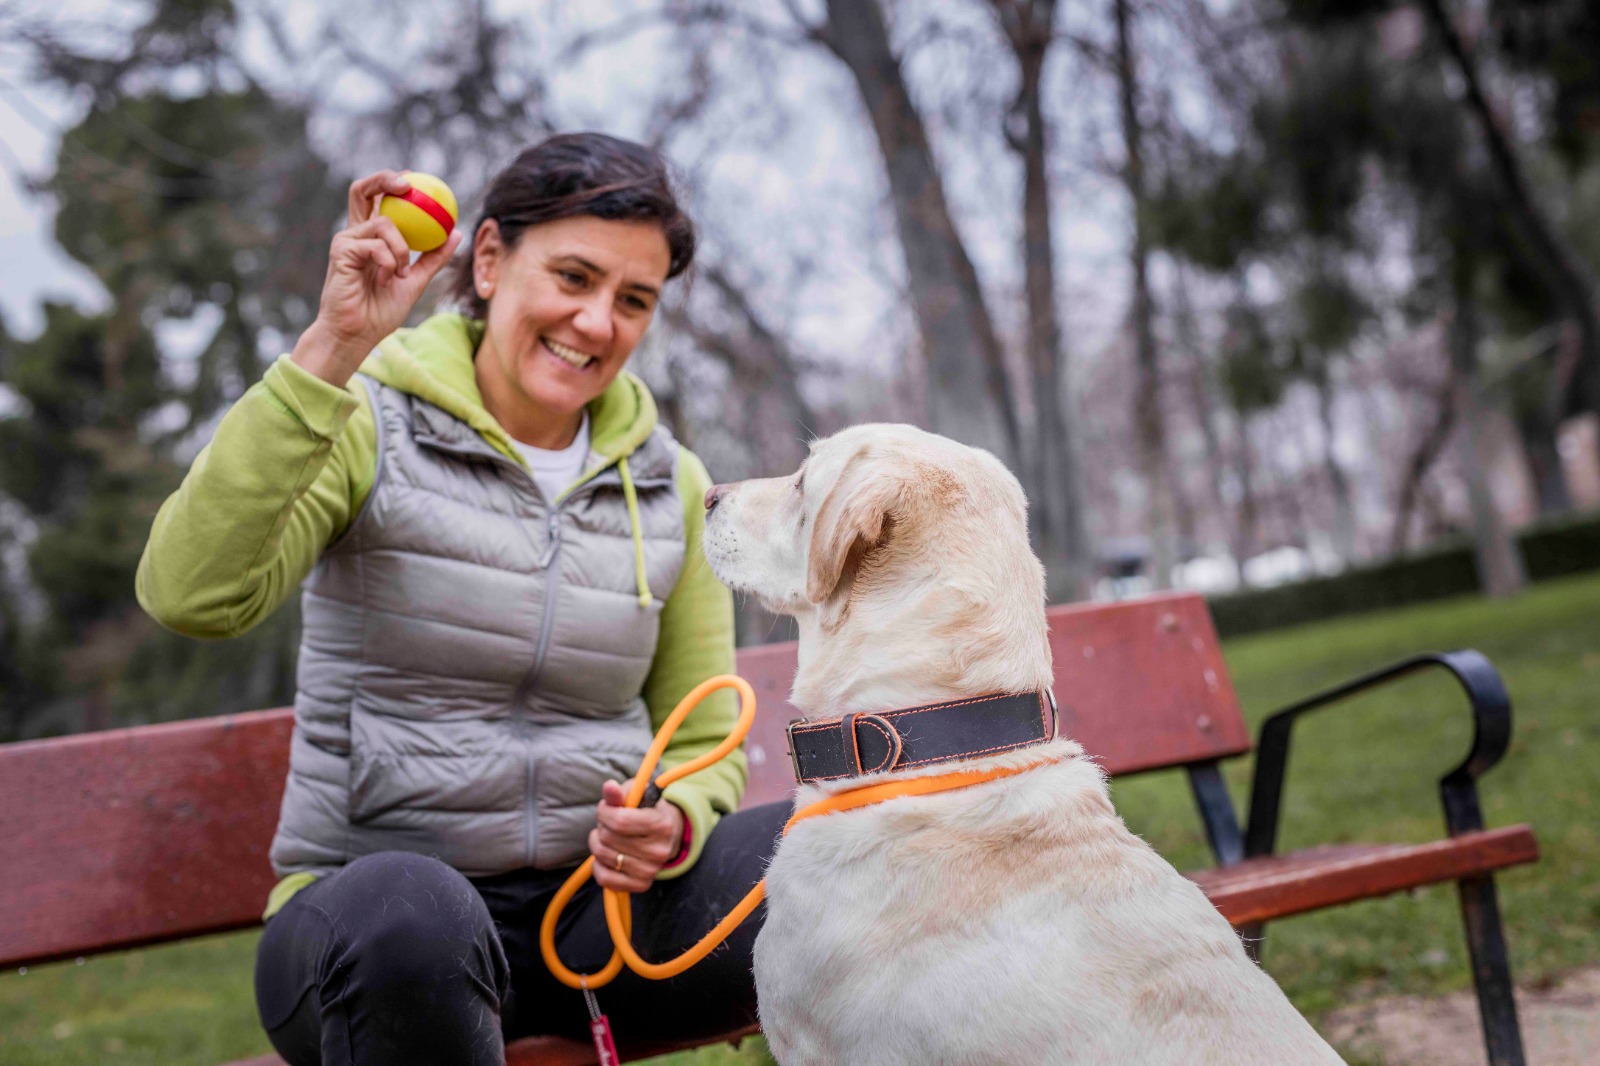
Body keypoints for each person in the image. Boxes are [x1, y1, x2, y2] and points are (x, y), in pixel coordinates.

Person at [136, 133, 787, 1066]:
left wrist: (674, 822)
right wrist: (336, 349)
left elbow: (696, 738)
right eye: (573, 276)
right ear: (488, 260)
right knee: (411, 917)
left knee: (841, 852)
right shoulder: (361, 421)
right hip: (374, 936)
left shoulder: (670, 483)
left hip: (597, 925)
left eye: (633, 299)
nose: (597, 321)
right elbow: (188, 593)